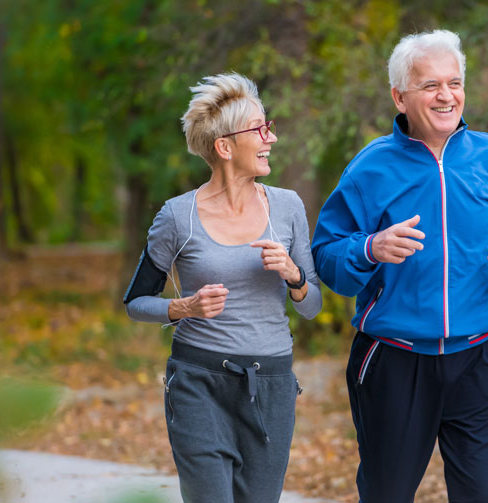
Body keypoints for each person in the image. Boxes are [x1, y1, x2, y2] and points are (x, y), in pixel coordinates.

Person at [312, 30, 488, 503]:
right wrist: (370, 249)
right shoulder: (369, 169)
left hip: (482, 357)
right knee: (386, 494)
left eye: (455, 83)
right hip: (395, 359)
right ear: (400, 97)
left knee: (482, 495)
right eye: (430, 86)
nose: (446, 96)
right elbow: (327, 257)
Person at [123, 72, 321, 503]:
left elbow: (311, 307)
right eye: (260, 129)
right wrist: (183, 308)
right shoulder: (178, 217)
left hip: (270, 383)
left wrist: (294, 275)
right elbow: (135, 302)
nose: (271, 136)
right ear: (225, 146)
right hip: (198, 382)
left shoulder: (287, 207)